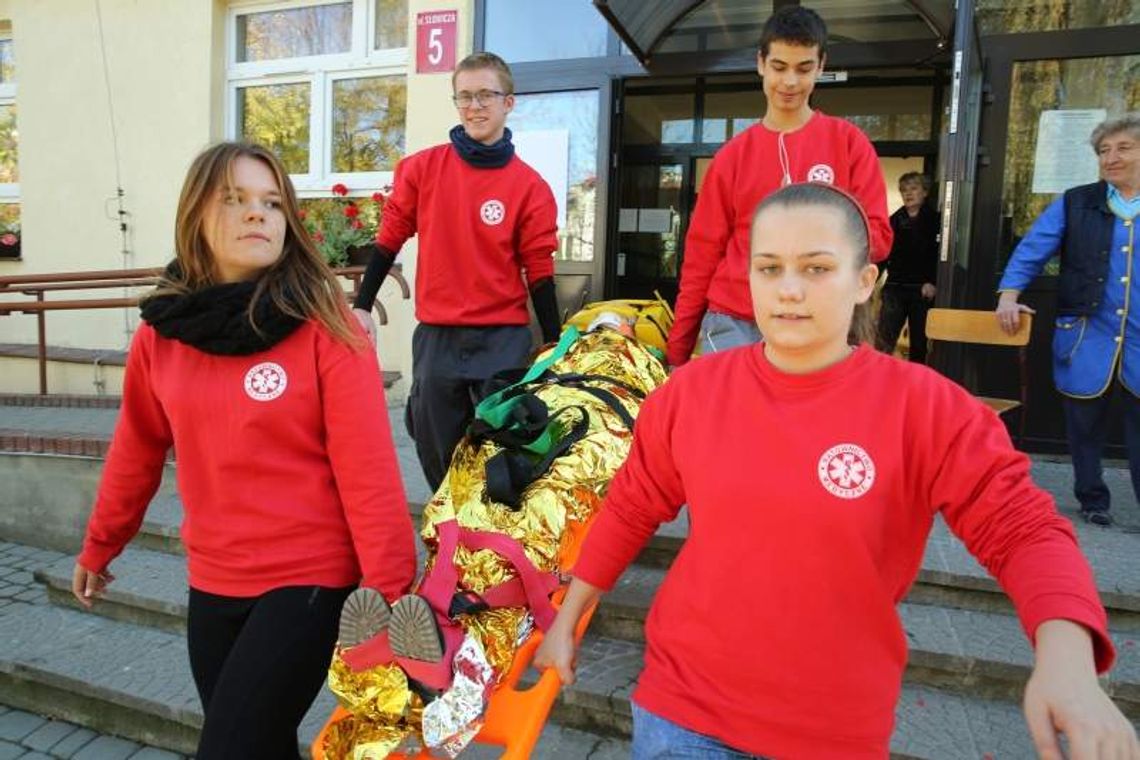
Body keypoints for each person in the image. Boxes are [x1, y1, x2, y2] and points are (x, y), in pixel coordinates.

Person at [536, 183, 1137, 759]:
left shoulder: (925, 407)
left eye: (817, 268)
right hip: (680, 714)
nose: (789, 290)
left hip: (832, 728)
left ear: (863, 280)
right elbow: (632, 505)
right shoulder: (692, 393)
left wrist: (1068, 660)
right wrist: (569, 617)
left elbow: (1024, 530)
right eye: (769, 268)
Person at [71, 141, 417, 759]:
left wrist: (391, 595)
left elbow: (368, 474)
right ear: (195, 217)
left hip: (308, 577)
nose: (258, 214)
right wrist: (102, 542)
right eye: (234, 199)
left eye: (272, 202)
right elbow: (137, 450)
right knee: (263, 747)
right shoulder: (162, 334)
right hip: (213, 578)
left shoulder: (326, 327)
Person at [351, 51, 560, 492]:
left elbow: (539, 270)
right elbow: (389, 239)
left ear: (509, 103)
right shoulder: (422, 170)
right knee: (435, 446)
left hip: (502, 339)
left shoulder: (530, 187)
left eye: (486, 94)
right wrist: (363, 306)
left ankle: (492, 542)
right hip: (438, 340)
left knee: (503, 451)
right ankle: (447, 539)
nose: (475, 106)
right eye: (464, 96)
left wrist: (556, 344)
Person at [665, 5, 892, 369]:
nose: (790, 82)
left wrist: (823, 242)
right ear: (760, 63)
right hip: (733, 323)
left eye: (803, 68)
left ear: (820, 66)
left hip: (820, 323)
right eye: (779, 67)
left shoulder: (848, 143)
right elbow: (701, 259)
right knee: (732, 426)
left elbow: (878, 236)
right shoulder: (732, 157)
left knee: (815, 427)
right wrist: (677, 350)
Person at [997, 113, 1140, 527]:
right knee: (1083, 424)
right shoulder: (1076, 201)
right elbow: (1032, 249)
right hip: (1086, 333)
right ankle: (1092, 498)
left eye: (1123, 148)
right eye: (1103, 151)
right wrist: (1009, 294)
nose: (1111, 158)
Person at [877, 172, 940, 363]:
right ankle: (878, 382)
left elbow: (940, 256)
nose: (908, 194)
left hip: (922, 289)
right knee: (883, 342)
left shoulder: (936, 221)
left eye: (913, 188)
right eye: (904, 190)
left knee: (919, 345)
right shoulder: (893, 221)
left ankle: (916, 388)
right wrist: (870, 281)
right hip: (895, 288)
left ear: (925, 192)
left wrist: (933, 281)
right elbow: (881, 255)